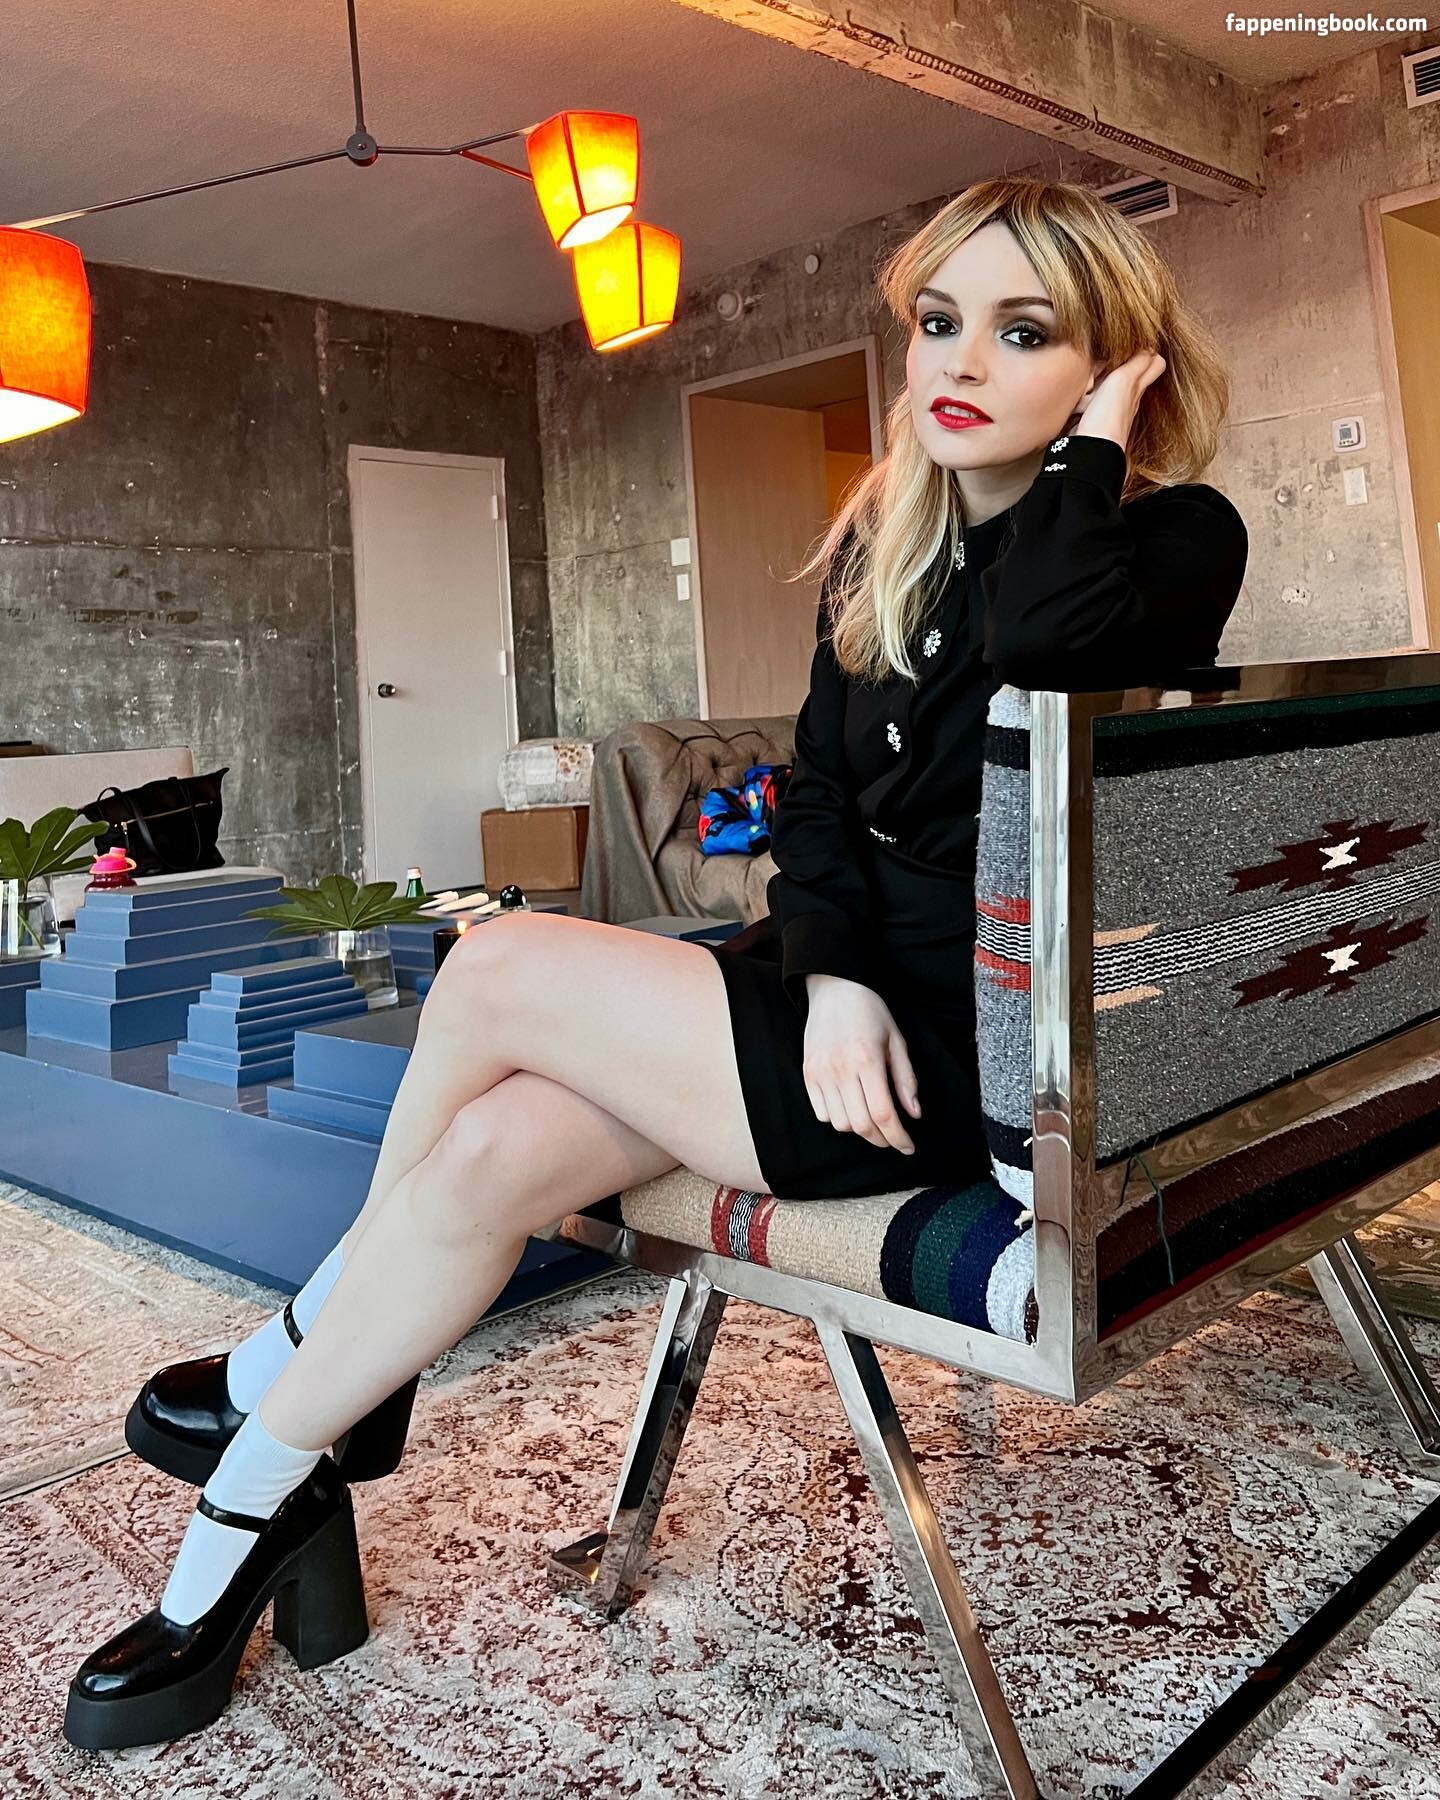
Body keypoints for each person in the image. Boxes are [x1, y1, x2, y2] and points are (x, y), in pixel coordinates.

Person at [63, 175, 1248, 1750]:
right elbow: (816, 799)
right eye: (937, 321)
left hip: (965, 1053)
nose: (959, 361)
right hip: (833, 1005)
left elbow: (1042, 643)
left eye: (1026, 334)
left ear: (1114, 365)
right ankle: (283, 1463)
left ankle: (287, 1390)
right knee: (490, 1151)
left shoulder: (1168, 537)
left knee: (496, 967)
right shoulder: (885, 543)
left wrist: (1097, 444)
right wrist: (829, 976)